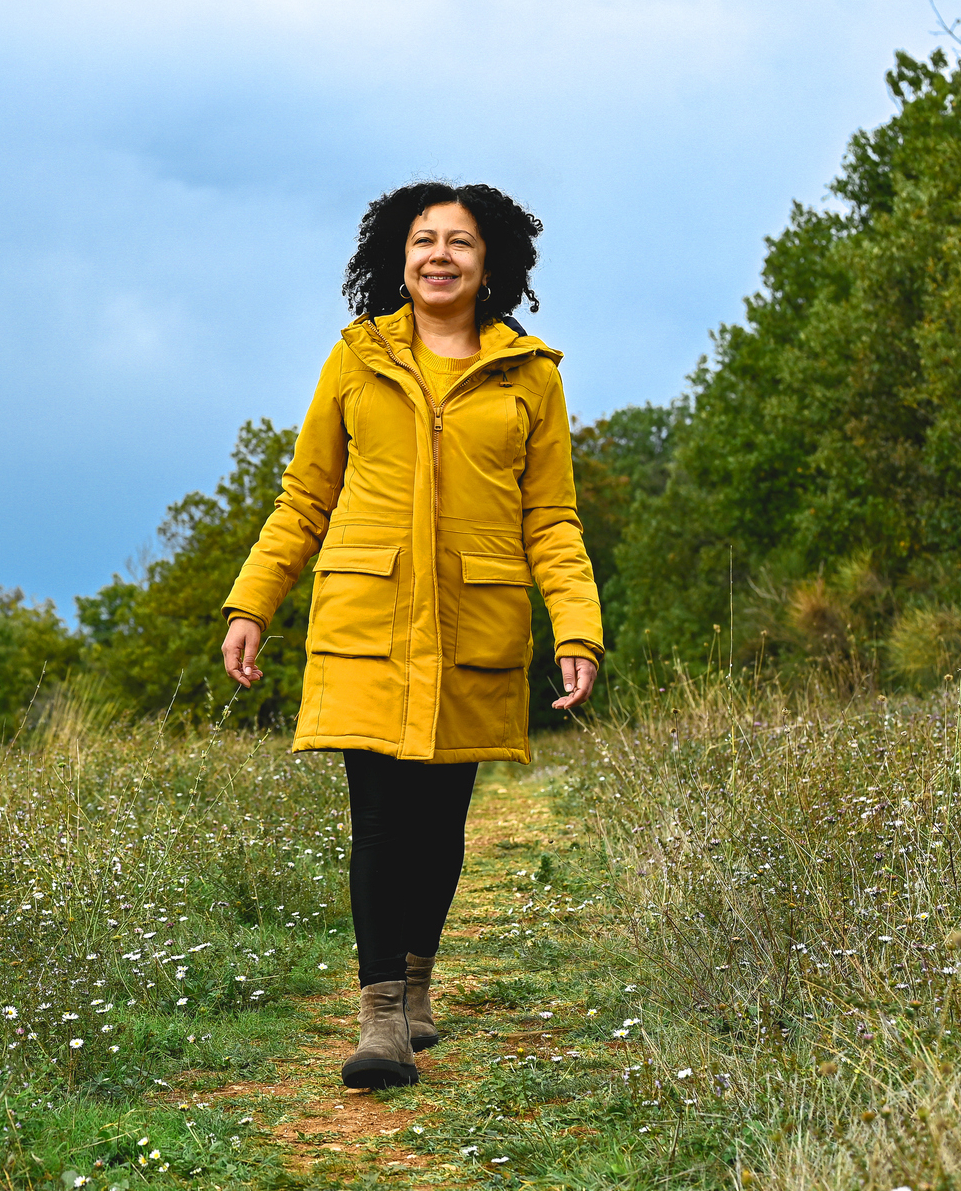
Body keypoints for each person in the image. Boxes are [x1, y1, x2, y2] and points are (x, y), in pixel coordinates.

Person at [217, 181, 601, 1089]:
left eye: (459, 242)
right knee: (383, 820)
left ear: (490, 263)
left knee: (440, 825)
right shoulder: (354, 359)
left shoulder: (531, 375)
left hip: (478, 627)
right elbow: (305, 496)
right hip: (367, 627)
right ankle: (380, 1015)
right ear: (398, 258)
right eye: (423, 240)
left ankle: (419, 980)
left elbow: (552, 518)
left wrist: (575, 627)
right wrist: (251, 604)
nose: (439, 255)